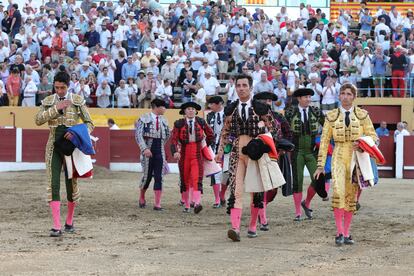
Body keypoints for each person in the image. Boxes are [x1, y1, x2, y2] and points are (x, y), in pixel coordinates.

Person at [216, 74, 277, 241]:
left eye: (244, 85)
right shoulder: (231, 109)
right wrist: (220, 151)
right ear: (235, 88)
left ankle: (252, 225)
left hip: (256, 153)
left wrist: (264, 146)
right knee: (236, 189)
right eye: (239, 85)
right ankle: (235, 228)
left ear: (251, 88)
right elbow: (225, 132)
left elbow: (274, 129)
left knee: (256, 190)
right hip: (237, 152)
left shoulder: (261, 108)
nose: (241, 88)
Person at [315, 83, 378, 246]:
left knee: (351, 195)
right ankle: (339, 232)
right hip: (339, 154)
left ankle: (347, 233)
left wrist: (364, 144)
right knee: (338, 193)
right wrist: (320, 165)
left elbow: (374, 137)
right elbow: (324, 141)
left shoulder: (363, 115)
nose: (345, 96)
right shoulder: (331, 115)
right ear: (339, 96)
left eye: (349, 94)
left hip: (357, 157)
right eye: (343, 93)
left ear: (354, 97)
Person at [35, 71, 94, 237]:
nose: (59, 91)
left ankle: (69, 221)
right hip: (53, 146)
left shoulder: (76, 100)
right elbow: (38, 120)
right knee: (53, 183)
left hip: (71, 147)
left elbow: (90, 123)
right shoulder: (49, 101)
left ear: (68, 86)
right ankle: (56, 225)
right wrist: (56, 109)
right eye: (57, 87)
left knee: (71, 184)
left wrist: (76, 133)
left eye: (62, 88)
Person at [253, 91, 291, 231]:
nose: (267, 103)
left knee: (273, 189)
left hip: (275, 156)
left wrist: (283, 147)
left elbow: (288, 133)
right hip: (257, 156)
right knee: (260, 188)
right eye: (264, 101)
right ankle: (263, 218)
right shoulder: (253, 118)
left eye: (269, 101)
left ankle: (260, 208)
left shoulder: (278, 117)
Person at [284, 88, 324, 221]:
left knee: (318, 179)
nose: (308, 99)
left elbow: (328, 126)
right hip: (297, 152)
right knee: (298, 181)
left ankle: (306, 203)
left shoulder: (316, 111)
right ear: (299, 99)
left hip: (312, 151)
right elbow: (283, 129)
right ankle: (297, 213)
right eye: (305, 97)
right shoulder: (290, 112)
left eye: (309, 97)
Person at [171, 101, 215, 214]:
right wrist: (175, 151)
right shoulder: (179, 123)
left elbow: (211, 134)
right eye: (188, 108)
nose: (191, 110)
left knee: (197, 178)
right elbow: (174, 140)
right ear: (184, 112)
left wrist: (206, 145)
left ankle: (196, 203)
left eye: (193, 109)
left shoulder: (201, 121)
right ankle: (186, 205)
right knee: (185, 179)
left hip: (197, 153)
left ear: (196, 111)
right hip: (184, 153)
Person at [135, 99, 170, 211]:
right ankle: (142, 197)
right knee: (147, 176)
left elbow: (167, 135)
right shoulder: (144, 118)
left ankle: (157, 204)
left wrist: (160, 146)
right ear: (156, 107)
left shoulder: (164, 120)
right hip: (147, 150)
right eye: (163, 107)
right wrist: (145, 148)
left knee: (159, 177)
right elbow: (138, 135)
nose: (165, 109)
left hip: (159, 149)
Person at [206, 96, 225, 208]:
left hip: (227, 147)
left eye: (212, 104)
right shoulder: (210, 116)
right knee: (215, 172)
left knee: (227, 173)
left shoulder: (228, 114)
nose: (210, 106)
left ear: (218, 104)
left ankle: (222, 196)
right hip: (213, 147)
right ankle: (217, 199)